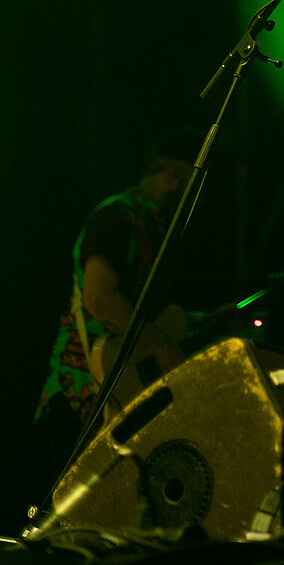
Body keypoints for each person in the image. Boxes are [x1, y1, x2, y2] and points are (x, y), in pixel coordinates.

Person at [31, 131, 198, 496]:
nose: (192, 195)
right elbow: (100, 299)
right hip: (82, 391)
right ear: (170, 174)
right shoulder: (117, 217)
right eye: (190, 182)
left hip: (116, 392)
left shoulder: (155, 229)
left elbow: (152, 318)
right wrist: (162, 345)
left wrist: (207, 320)